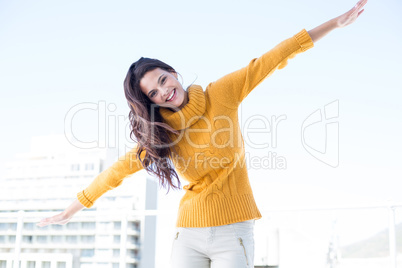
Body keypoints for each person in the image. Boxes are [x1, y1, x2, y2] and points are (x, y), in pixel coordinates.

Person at [37, 1, 367, 267]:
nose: (163, 92)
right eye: (153, 93)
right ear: (149, 102)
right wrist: (72, 209)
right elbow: (116, 172)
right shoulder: (161, 134)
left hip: (235, 229)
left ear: (174, 73)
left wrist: (334, 25)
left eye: (163, 80)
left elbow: (274, 58)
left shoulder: (222, 93)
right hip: (188, 233)